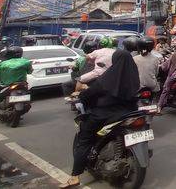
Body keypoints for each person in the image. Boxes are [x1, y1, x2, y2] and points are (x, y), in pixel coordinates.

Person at [59, 49, 140, 188]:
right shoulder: (134, 77)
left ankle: (74, 177)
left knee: (84, 138)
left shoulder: (109, 76)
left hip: (105, 115)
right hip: (129, 113)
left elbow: (91, 92)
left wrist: (81, 96)